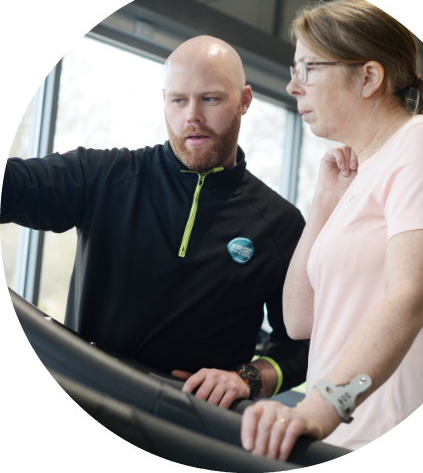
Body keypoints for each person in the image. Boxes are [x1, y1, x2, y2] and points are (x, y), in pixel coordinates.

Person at [1, 35, 312, 409]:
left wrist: (246, 379)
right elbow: (16, 187)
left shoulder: (280, 224)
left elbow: (302, 347)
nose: (192, 115)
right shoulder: (105, 177)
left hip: (189, 426)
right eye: (178, 100)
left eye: (210, 99)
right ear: (164, 101)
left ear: (244, 101)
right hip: (86, 393)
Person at [240, 0, 423, 459]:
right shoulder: (359, 173)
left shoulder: (422, 142)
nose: (293, 86)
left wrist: (322, 405)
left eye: (308, 68)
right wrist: (323, 205)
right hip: (333, 435)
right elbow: (299, 320)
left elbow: (411, 295)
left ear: (368, 76)